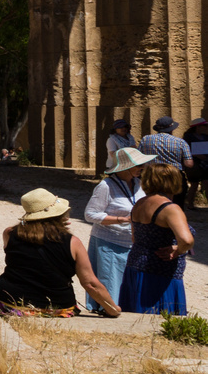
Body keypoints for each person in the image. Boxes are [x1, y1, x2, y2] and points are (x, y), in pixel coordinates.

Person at [0, 188, 120, 318]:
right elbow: (90, 283)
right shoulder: (72, 242)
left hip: (9, 300)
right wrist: (113, 309)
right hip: (56, 306)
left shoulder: (9, 233)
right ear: (59, 215)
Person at [119, 161, 195, 314]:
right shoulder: (170, 208)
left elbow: (135, 238)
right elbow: (186, 240)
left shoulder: (139, 204)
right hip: (161, 272)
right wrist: (178, 250)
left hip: (136, 266)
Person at [83, 147, 151, 313]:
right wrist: (120, 220)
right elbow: (90, 215)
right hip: (109, 243)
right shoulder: (105, 186)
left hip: (132, 243)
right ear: (127, 167)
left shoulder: (138, 184)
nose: (142, 167)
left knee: (127, 282)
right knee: (110, 280)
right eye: (138, 164)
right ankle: (106, 310)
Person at [184, 118, 208, 206]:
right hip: (194, 164)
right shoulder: (188, 137)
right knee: (194, 184)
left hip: (205, 163)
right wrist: (196, 155)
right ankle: (190, 204)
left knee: (207, 183)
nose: (206, 127)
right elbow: (186, 149)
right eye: (204, 125)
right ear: (197, 127)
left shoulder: (206, 136)